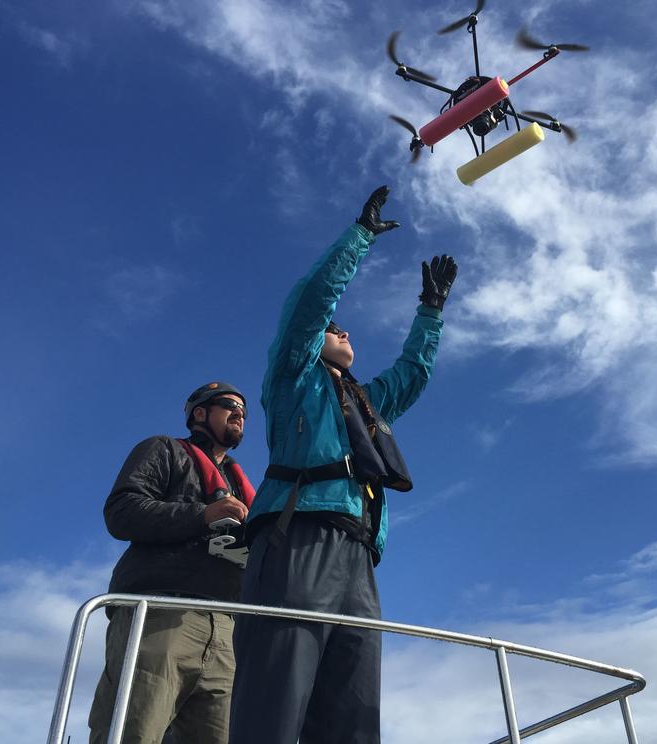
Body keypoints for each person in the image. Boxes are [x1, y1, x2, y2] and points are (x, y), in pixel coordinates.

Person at [227, 186, 458, 744]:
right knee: (275, 703)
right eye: (338, 330)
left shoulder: (366, 402)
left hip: (359, 558)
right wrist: (358, 238)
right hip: (297, 538)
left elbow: (413, 374)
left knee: (354, 714)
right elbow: (311, 303)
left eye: (344, 329)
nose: (345, 331)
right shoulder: (293, 377)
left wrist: (430, 312)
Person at [88, 382, 256, 744]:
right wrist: (203, 514)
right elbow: (121, 512)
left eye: (245, 410)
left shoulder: (241, 486)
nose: (240, 413)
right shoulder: (164, 450)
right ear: (199, 413)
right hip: (159, 615)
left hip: (226, 630)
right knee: (135, 731)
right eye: (230, 405)